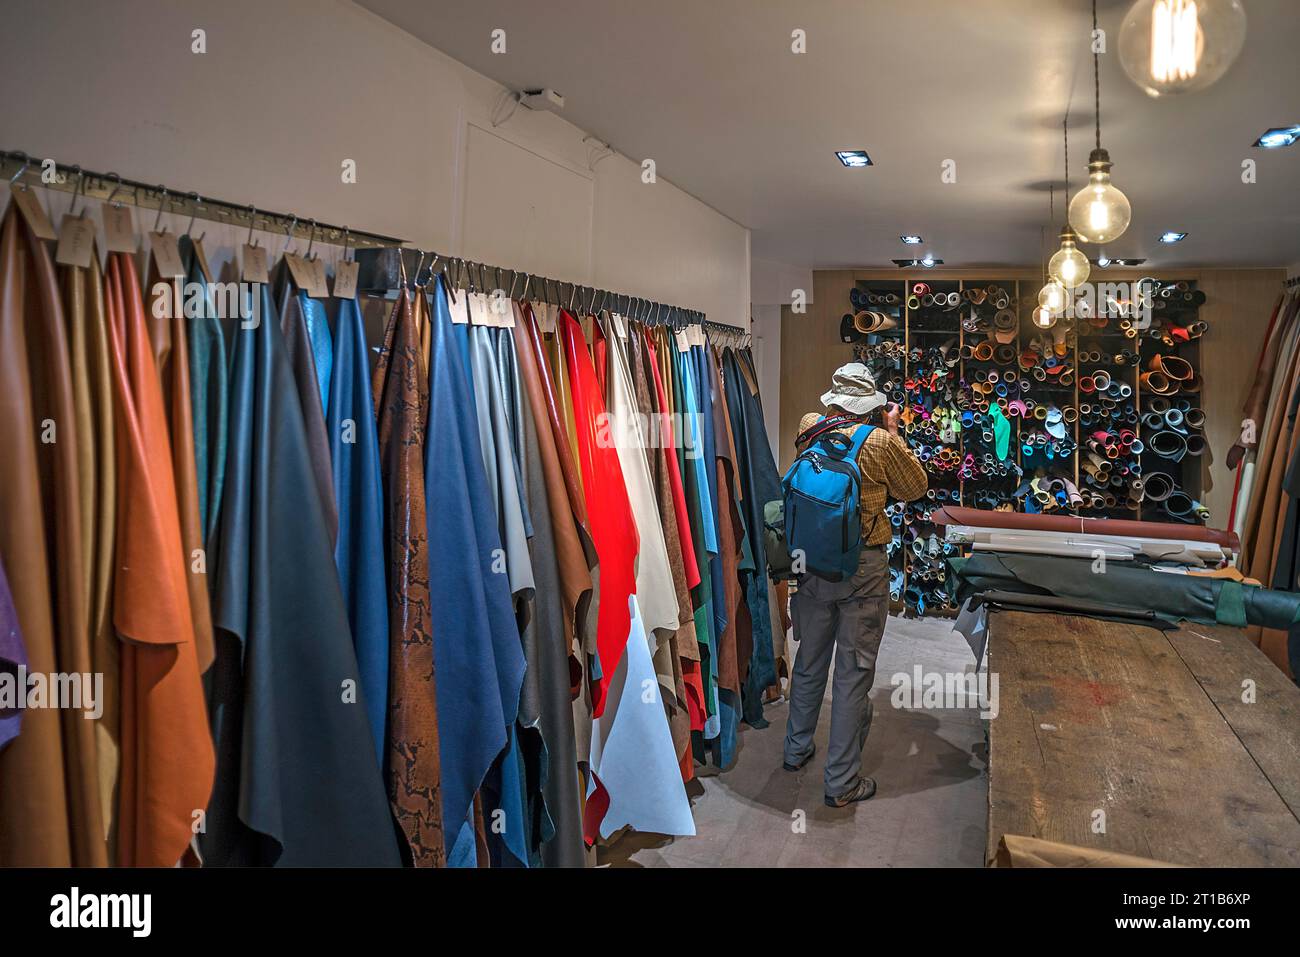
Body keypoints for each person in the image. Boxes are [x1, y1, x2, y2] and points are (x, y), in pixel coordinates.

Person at [782, 362, 927, 807]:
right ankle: (841, 783)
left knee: (809, 659)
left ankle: (795, 750)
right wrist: (893, 430)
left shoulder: (811, 425)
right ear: (871, 403)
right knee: (852, 673)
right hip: (862, 568)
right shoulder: (880, 442)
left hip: (811, 561)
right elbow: (915, 487)